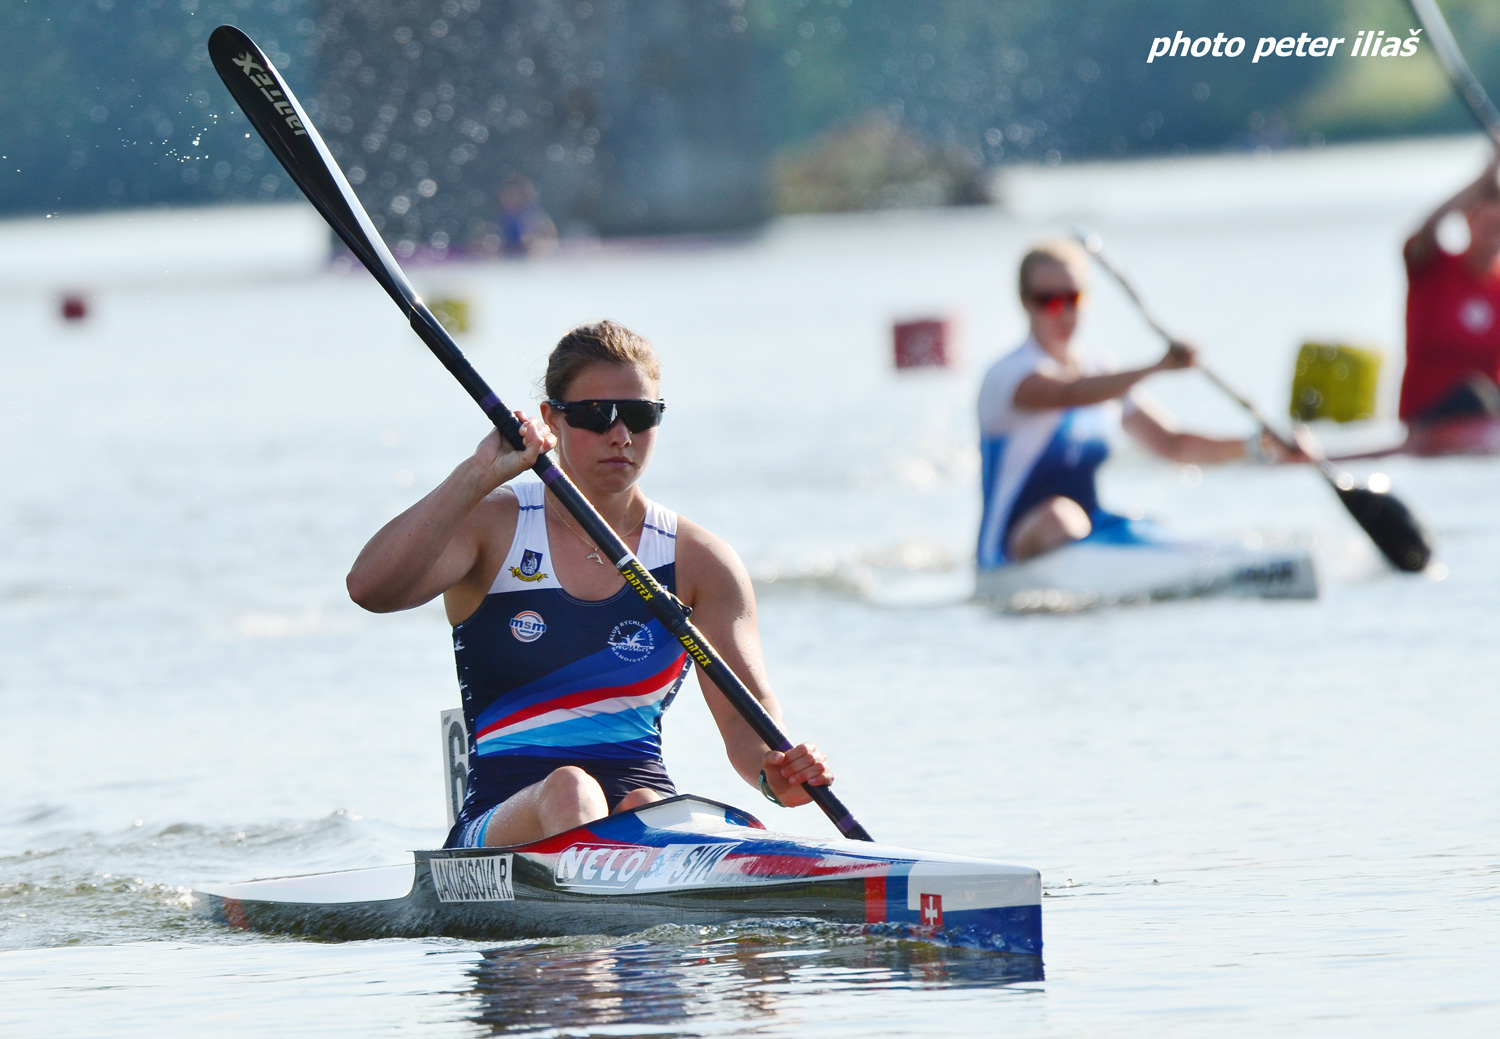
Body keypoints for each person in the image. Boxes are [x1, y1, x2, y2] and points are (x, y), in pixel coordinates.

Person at [347, 320, 832, 848]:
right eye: (597, 415)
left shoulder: (700, 561)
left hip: (640, 805)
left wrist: (773, 774)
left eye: (639, 416)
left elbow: (748, 731)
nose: (620, 435)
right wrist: (477, 474)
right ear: (551, 419)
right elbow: (370, 589)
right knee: (570, 790)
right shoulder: (492, 527)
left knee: (651, 806)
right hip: (499, 821)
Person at [977, 239, 1294, 568]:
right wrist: (1158, 367)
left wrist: (1262, 446)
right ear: (1025, 302)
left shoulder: (1102, 370)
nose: (1065, 312)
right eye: (1050, 301)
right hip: (1009, 552)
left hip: (1089, 531)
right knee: (1061, 518)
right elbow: (1070, 394)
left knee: (1147, 525)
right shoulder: (1007, 375)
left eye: (1074, 298)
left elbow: (1173, 444)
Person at [1399, 154, 1500, 424]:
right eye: (1487, 226)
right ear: (1469, 222)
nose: (1493, 237)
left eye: (1499, 229)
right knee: (1474, 393)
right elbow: (1430, 227)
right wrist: (1484, 176)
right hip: (1427, 415)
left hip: (1484, 421)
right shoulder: (1433, 266)